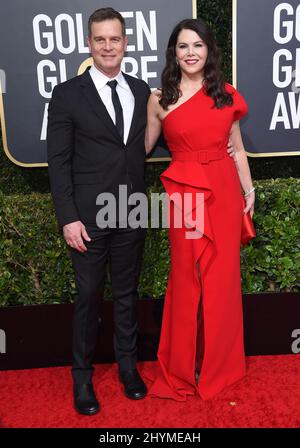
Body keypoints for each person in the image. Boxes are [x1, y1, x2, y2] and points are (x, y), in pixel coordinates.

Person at [145, 18, 255, 401]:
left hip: (224, 190)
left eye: (197, 45)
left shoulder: (225, 94)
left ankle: (219, 365)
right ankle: (181, 366)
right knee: (186, 280)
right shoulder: (160, 98)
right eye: (182, 46)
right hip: (185, 194)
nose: (190, 53)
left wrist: (249, 190)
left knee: (222, 279)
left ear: (209, 50)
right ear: (173, 53)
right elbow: (141, 148)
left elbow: (237, 149)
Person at [47, 7, 150, 415]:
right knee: (89, 296)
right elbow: (58, 160)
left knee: (126, 294)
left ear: (126, 43)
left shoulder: (142, 91)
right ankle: (82, 377)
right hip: (87, 218)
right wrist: (68, 217)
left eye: (115, 39)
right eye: (99, 39)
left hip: (132, 210)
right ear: (89, 44)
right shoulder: (68, 93)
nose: (108, 46)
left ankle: (128, 368)